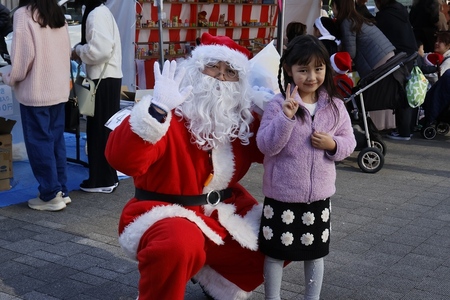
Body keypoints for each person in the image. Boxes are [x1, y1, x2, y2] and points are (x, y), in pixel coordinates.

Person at [105, 32, 275, 299]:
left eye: (230, 71)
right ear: (196, 69)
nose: (220, 76)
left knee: (285, 231)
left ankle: (216, 279)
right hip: (165, 211)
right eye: (213, 67)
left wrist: (280, 116)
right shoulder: (168, 111)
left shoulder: (242, 119)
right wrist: (156, 110)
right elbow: (122, 160)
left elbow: (279, 153)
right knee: (179, 243)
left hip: (222, 211)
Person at [256, 34, 356, 300]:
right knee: (275, 253)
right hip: (282, 196)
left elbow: (349, 142)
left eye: (318, 68)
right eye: (303, 70)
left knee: (316, 254)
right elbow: (266, 145)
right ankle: (272, 297)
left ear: (326, 68)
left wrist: (332, 143)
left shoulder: (335, 106)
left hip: (318, 198)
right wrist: (286, 118)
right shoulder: (278, 105)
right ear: (289, 70)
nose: (311, 76)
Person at [1, 0, 71, 211]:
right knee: (56, 140)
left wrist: (9, 76)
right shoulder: (56, 12)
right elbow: (66, 51)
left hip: (36, 90)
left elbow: (23, 60)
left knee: (39, 141)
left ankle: (50, 194)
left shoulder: (24, 14)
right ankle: (60, 190)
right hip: (58, 89)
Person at [71, 0, 122, 193]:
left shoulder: (96, 14)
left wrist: (78, 51)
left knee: (99, 130)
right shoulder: (100, 11)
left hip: (102, 78)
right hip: (107, 77)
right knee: (104, 130)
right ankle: (106, 177)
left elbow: (98, 51)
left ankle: (102, 180)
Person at [332, 0, 397, 133]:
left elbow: (351, 52)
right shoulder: (357, 18)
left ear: (339, 6)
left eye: (333, 6)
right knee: (381, 93)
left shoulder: (347, 22)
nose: (332, 10)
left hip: (377, 59)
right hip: (387, 55)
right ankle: (380, 127)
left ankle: (373, 129)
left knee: (374, 94)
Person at [374, 0, 418, 140]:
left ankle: (403, 131)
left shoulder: (384, 16)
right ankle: (409, 128)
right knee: (409, 91)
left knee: (401, 93)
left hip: (400, 57)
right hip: (411, 54)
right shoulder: (400, 9)